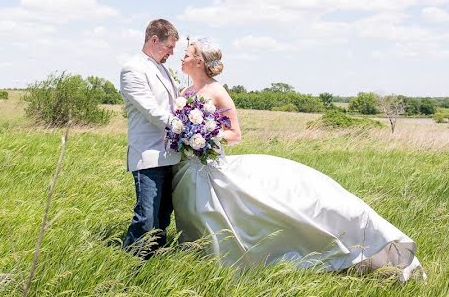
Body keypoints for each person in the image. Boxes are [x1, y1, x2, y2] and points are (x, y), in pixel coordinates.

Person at [171, 38, 426, 282]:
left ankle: (274, 254)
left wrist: (207, 135)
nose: (183, 57)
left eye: (188, 53)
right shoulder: (185, 91)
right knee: (197, 213)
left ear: (200, 61)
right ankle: (202, 261)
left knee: (265, 209)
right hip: (188, 167)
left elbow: (235, 134)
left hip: (211, 164)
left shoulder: (217, 91)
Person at [120, 19, 181, 258]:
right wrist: (184, 126)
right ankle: (127, 264)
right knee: (146, 218)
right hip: (148, 155)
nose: (172, 52)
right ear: (154, 40)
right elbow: (151, 110)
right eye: (169, 47)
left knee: (163, 217)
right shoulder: (132, 69)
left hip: (170, 154)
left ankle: (150, 265)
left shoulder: (163, 69)